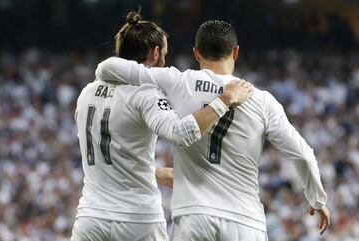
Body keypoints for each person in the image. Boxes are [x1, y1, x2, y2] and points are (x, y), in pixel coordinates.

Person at [96, 16, 331, 240]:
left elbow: (106, 69)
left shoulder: (176, 81)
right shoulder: (262, 100)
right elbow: (303, 154)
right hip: (245, 221)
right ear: (236, 52)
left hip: (193, 218)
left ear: (196, 53)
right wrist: (317, 200)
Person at [71, 12, 253, 241]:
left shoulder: (86, 93)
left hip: (90, 219)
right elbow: (181, 133)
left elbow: (107, 153)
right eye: (164, 54)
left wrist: (153, 172)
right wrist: (224, 101)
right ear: (155, 52)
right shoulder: (144, 92)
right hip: (137, 219)